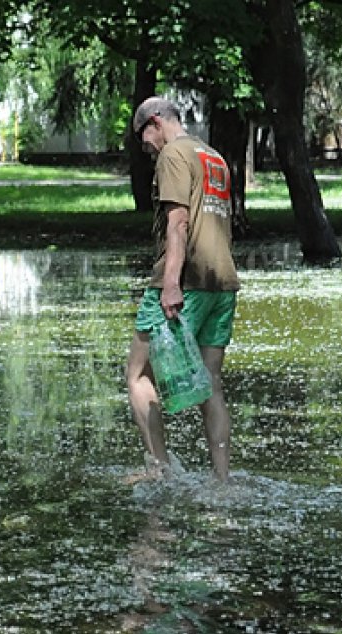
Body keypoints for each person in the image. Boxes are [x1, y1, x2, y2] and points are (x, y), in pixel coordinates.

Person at [125, 96, 240, 483]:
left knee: (138, 376)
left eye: (146, 140)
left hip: (185, 283)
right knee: (210, 385)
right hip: (222, 284)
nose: (148, 149)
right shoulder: (213, 156)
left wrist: (170, 284)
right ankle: (222, 483)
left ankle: (160, 470)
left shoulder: (173, 154)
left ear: (155, 123)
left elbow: (178, 224)